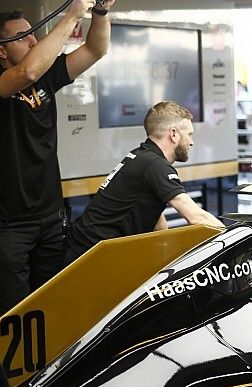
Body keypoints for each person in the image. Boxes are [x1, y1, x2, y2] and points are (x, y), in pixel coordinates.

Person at [0, 1, 115, 316]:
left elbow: (95, 49)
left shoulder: (46, 78)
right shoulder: (11, 79)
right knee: (16, 319)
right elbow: (27, 71)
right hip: (9, 228)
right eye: (24, 36)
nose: (34, 41)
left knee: (52, 308)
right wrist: (74, 13)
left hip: (50, 218)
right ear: (1, 51)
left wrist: (100, 12)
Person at [65, 102, 224, 263]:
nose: (192, 142)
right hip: (90, 256)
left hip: (87, 249)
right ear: (174, 134)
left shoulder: (141, 155)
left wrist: (165, 260)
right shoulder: (155, 165)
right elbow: (196, 217)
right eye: (189, 134)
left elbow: (157, 221)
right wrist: (232, 238)